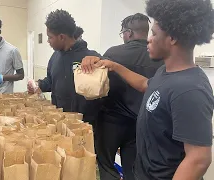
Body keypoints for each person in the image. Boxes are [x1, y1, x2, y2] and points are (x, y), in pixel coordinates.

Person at [82, 0, 214, 179]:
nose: (148, 39)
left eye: (153, 33)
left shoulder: (190, 90)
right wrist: (115, 66)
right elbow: (146, 85)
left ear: (172, 38)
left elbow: (198, 159)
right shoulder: (166, 72)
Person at [96, 13, 163, 180]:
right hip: (140, 125)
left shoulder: (112, 54)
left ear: (129, 33)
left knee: (106, 165)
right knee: (132, 169)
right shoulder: (159, 60)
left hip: (111, 123)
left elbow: (98, 87)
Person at [27, 9, 101, 124]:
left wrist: (100, 63)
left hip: (84, 125)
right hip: (59, 121)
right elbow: (51, 81)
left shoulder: (91, 58)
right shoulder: (55, 57)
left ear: (61, 37)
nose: (48, 41)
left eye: (50, 37)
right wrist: (38, 85)